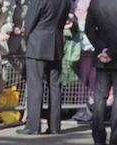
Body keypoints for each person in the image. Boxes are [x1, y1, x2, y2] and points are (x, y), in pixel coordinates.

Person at [16, 0, 70, 134]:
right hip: (56, 42)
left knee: (36, 86)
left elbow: (29, 22)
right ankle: (55, 126)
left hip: (37, 43)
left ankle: (33, 126)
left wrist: (28, 39)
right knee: (55, 86)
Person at [86, 0, 117, 145]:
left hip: (102, 54)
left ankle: (98, 136)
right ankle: (116, 137)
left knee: (100, 96)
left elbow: (88, 28)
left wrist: (101, 49)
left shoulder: (96, 2)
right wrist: (112, 52)